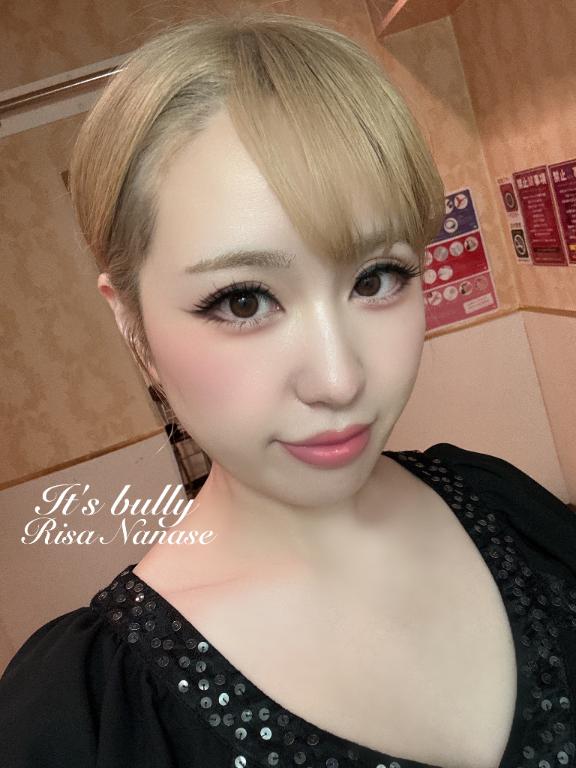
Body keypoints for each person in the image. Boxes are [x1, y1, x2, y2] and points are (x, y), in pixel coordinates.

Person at [1, 9, 575, 768]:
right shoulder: (89, 719)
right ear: (131, 322)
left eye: (377, 278)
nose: (340, 380)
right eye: (243, 300)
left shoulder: (505, 507)